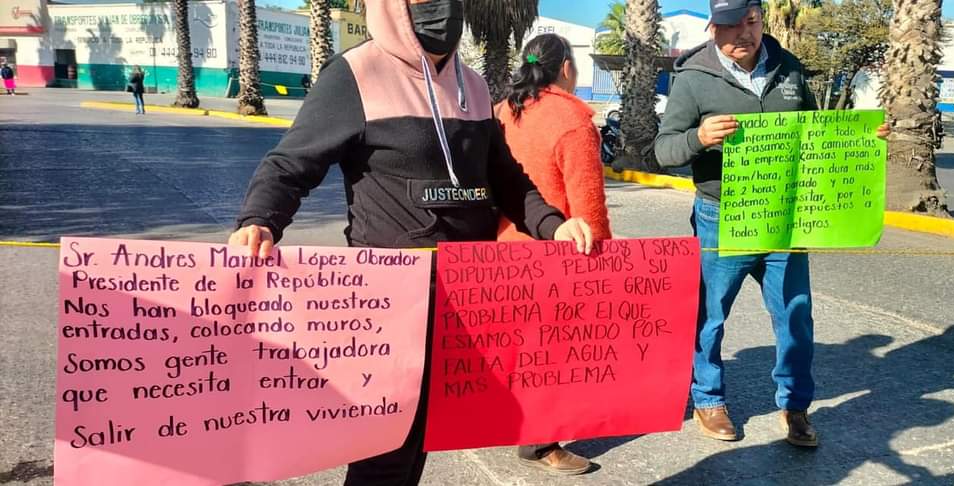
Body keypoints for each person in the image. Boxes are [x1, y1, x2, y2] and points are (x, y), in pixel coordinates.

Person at [227, 1, 594, 484]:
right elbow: (291, 164)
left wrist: (552, 224)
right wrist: (260, 220)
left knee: (421, 435)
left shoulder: (475, 85)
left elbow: (505, 176)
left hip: (464, 293)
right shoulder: (355, 74)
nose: (442, 9)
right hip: (388, 301)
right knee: (386, 446)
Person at [654, 0, 889, 448]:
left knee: (795, 315)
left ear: (761, 18)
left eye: (751, 21)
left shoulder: (790, 69)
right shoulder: (692, 78)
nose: (743, 33)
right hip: (720, 216)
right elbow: (663, 150)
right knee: (709, 317)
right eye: (730, 25)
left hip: (786, 216)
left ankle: (796, 406)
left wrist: (862, 138)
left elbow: (819, 134)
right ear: (712, 28)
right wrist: (698, 138)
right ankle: (708, 399)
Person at [494, 33, 611, 475]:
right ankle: (541, 443)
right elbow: (588, 204)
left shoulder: (504, 111)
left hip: (503, 249)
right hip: (556, 255)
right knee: (550, 356)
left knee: (518, 348)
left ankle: (517, 423)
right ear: (566, 69)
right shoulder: (572, 119)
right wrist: (603, 261)